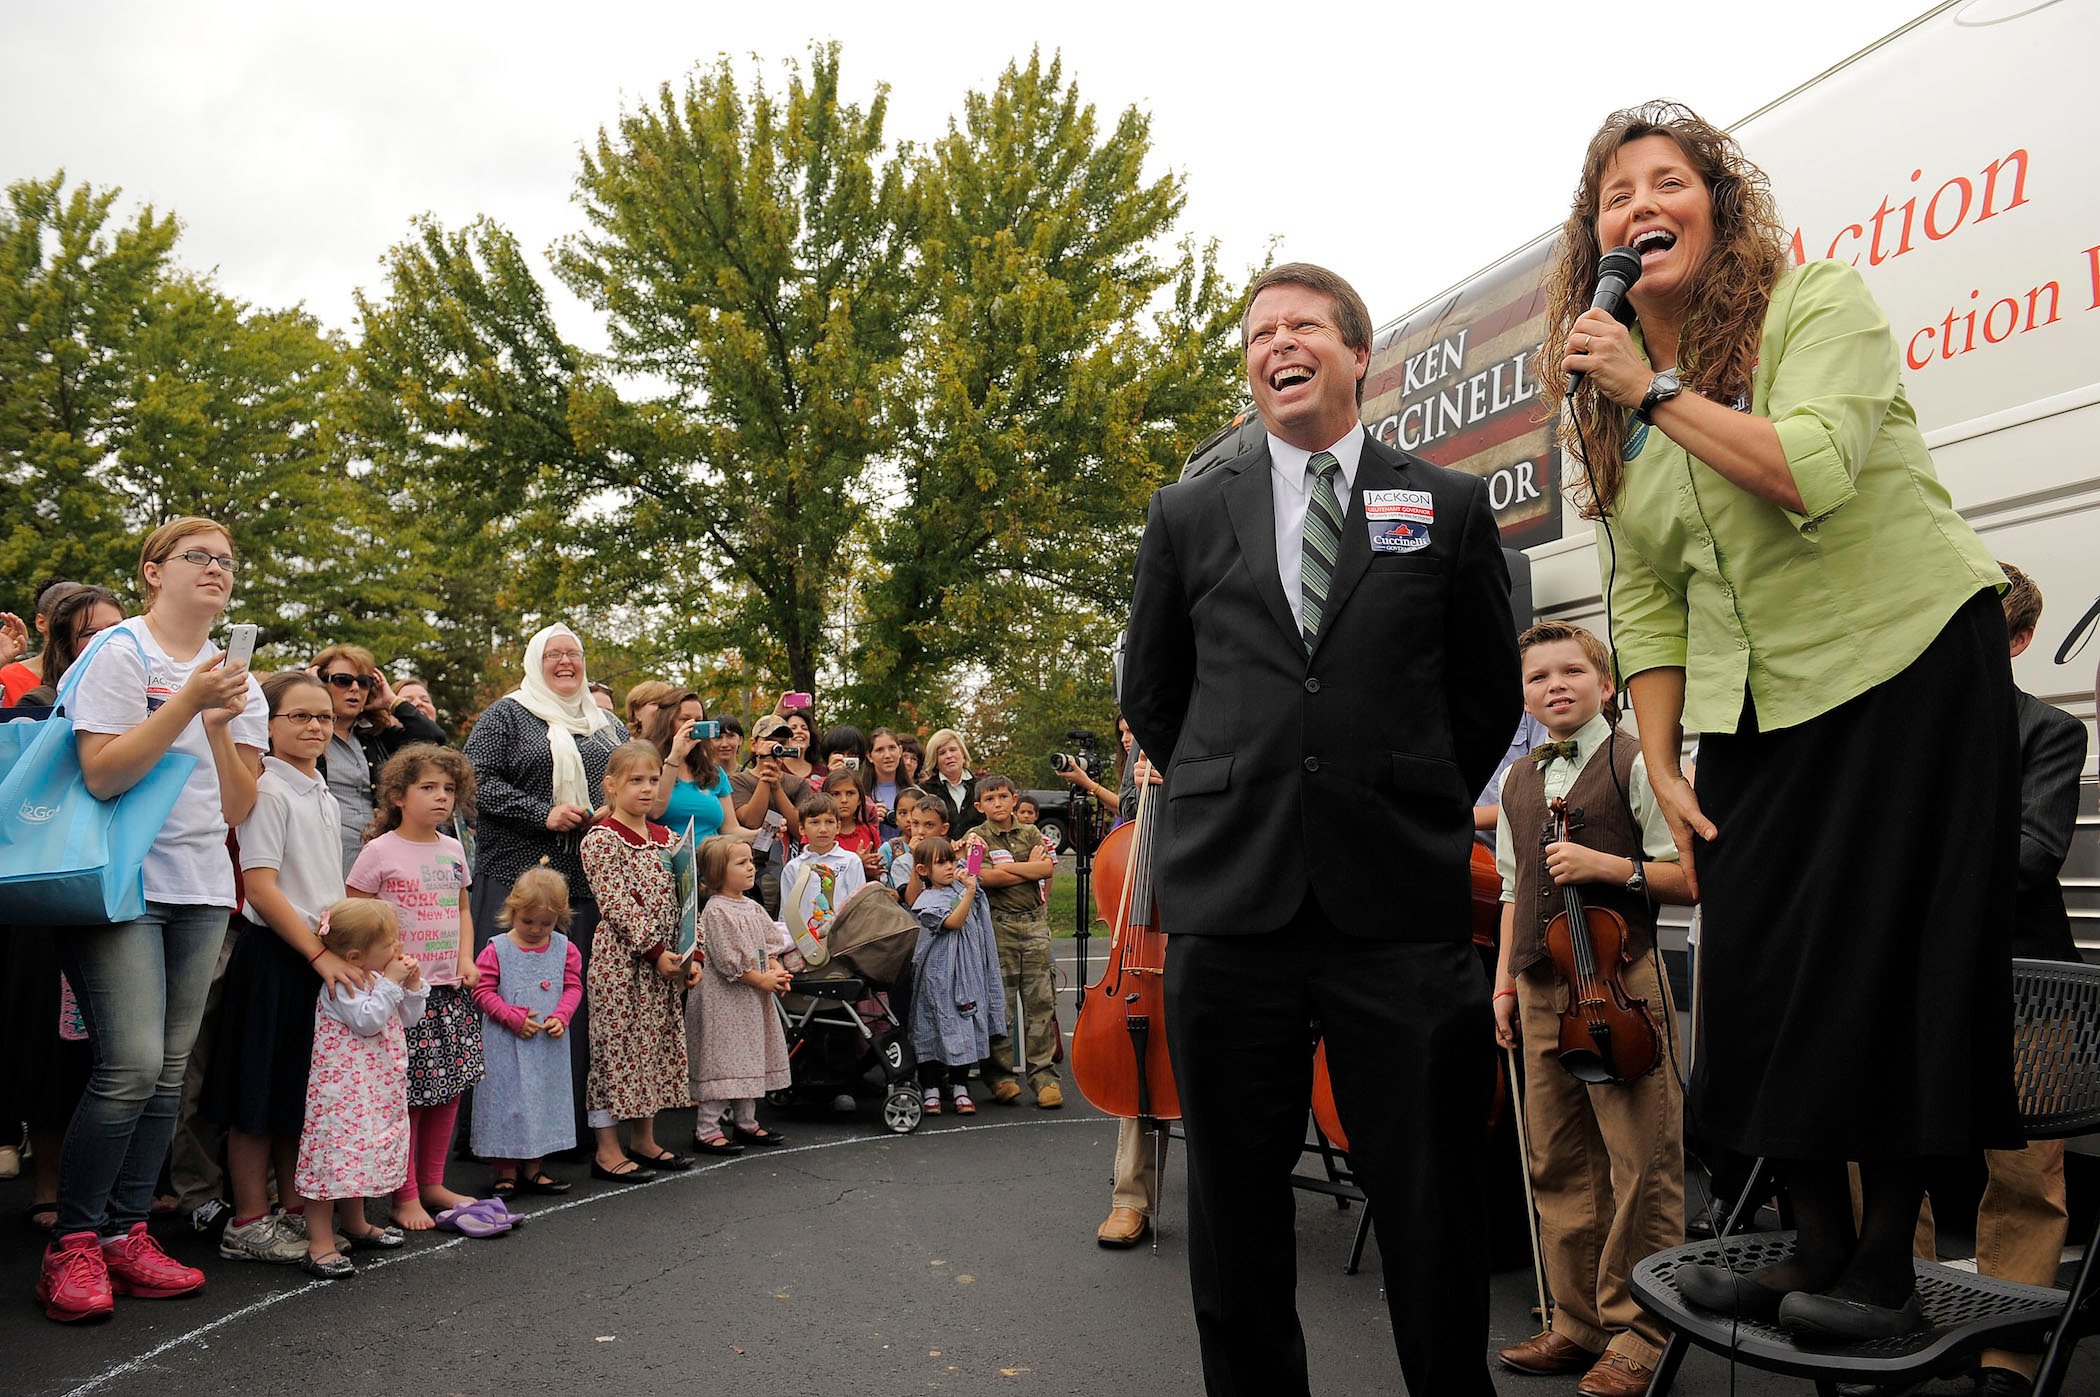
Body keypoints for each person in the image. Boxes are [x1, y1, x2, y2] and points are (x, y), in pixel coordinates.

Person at [1545, 103, 2016, 1340]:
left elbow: (1810, 466)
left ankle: (1883, 1269)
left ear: (1720, 202)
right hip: (1761, 701)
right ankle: (1806, 1236)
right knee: (1753, 954)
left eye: (1669, 182)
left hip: (1905, 660)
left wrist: (1652, 387)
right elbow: (1647, 589)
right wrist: (1656, 748)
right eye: (1616, 196)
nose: (1643, 207)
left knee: (1884, 949)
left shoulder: (1815, 303)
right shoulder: (1609, 402)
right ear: (1592, 237)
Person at [1123, 261, 1519, 1395]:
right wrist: (1235, 781)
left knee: (1430, 1202)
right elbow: (1158, 693)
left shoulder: (1445, 503)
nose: (1274, 344)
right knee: (1238, 1215)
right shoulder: (1189, 511)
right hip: (1229, 905)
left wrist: (1408, 791)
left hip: (1396, 907)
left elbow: (1486, 695)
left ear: (1357, 355)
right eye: (1258, 333)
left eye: (1301, 326)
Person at [42, 516, 272, 1324]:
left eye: (226, 562)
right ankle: (71, 1243)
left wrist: (216, 722)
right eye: (197, 557)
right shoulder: (119, 652)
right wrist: (188, 702)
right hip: (118, 882)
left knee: (170, 1074)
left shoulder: (235, 676)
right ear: (152, 571)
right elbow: (101, 775)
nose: (216, 569)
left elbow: (240, 805)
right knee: (132, 1066)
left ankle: (126, 1232)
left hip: (204, 884)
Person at [1488, 623, 1691, 1396]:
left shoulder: (1638, 760)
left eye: (1572, 670)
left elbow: (1689, 876)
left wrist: (1607, 864)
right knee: (1557, 1160)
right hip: (1542, 987)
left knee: (1642, 1164)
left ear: (1606, 685)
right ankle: (1576, 1322)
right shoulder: (1518, 780)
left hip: (1621, 982)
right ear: (1527, 696)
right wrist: (1505, 984)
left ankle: (1642, 1332)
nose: (1556, 685)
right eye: (1539, 677)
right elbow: (1513, 891)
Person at [1904, 564, 2087, 1396]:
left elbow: (2032, 853)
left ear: (2016, 642)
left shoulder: (2049, 729)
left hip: (2024, 977)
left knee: (2026, 1172)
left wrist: (1903, 870)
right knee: (1884, 1153)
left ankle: (2007, 1355)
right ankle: (1890, 1322)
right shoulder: (1894, 728)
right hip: (1908, 974)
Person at [203, 670, 354, 1267]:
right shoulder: (267, 790)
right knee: (255, 1094)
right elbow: (260, 888)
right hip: (276, 957)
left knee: (297, 1091)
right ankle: (248, 1220)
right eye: (299, 716)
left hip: (314, 958)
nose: (316, 725)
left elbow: (325, 884)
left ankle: (293, 1210)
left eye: (323, 715)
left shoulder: (322, 792)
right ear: (267, 725)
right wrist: (317, 951)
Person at [460, 624, 629, 1131]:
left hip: (586, 883)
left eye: (573, 654)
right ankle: (501, 1132)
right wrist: (543, 813)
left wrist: (606, 811)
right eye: (553, 654)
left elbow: (623, 783)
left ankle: (566, 1125)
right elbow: (474, 783)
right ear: (535, 661)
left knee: (571, 1002)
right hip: (518, 881)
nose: (564, 662)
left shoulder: (607, 726)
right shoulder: (508, 715)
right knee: (512, 1003)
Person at [0, 586, 124, 1238]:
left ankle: (115, 1193)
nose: (103, 642)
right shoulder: (38, 707)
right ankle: (48, 1186)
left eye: (115, 630)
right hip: (48, 896)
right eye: (86, 633)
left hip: (120, 897)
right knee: (51, 1051)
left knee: (115, 1052)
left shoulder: (144, 711)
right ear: (62, 645)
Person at [348, 745, 485, 1230]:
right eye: (428, 787)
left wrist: (466, 959)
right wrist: (383, 972)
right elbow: (357, 919)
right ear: (398, 795)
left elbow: (463, 910)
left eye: (449, 789)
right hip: (401, 999)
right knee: (405, 1095)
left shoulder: (451, 849)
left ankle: (432, 1182)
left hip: (448, 992)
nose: (441, 797)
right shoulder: (379, 851)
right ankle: (403, 1194)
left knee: (446, 1089)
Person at [293, 898, 433, 1278]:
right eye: (389, 944)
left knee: (359, 1157)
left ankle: (354, 1223)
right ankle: (319, 1242)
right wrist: (390, 981)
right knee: (333, 1161)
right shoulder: (343, 984)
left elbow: (410, 1018)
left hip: (373, 1089)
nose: (397, 948)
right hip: (341, 1095)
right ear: (356, 954)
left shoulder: (372, 978)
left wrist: (413, 984)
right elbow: (368, 1021)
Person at [580, 741, 698, 1180]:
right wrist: (654, 951)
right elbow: (616, 904)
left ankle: (644, 1140)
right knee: (616, 1051)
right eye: (636, 781)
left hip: (668, 964)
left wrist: (692, 952)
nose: (647, 789)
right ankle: (607, 1150)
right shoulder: (602, 839)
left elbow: (689, 900)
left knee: (651, 1048)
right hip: (623, 965)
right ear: (611, 786)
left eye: (652, 780)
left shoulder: (670, 840)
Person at [470, 866, 582, 1200]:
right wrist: (510, 1016)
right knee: (508, 1103)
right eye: (528, 921)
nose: (536, 930)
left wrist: (561, 1015)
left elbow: (573, 987)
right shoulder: (497, 949)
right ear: (513, 910)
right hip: (506, 1043)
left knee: (542, 1101)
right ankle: (505, 1170)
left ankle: (534, 1167)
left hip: (547, 1044)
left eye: (545, 924)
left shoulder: (565, 948)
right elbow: (482, 991)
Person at [687, 837, 793, 1155]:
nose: (750, 868)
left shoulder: (751, 906)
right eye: (741, 863)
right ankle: (706, 1128)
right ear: (718, 872)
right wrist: (762, 979)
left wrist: (776, 971)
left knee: (748, 1056)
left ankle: (746, 1121)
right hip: (725, 1001)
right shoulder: (716, 912)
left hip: (750, 998)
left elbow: (771, 944)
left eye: (751, 861)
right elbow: (727, 962)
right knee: (723, 1060)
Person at [312, 644, 450, 876]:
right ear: (321, 682)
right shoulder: (306, 733)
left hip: (376, 857)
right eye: (343, 680)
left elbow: (433, 738)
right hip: (324, 856)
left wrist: (391, 701)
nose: (355, 688)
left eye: (364, 682)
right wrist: (309, 691)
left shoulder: (376, 734)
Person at [967, 775, 1060, 1108]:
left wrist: (1025, 869)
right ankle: (1000, 1075)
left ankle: (1043, 1075)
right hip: (999, 927)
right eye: (990, 799)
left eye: (1003, 797)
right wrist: (1027, 867)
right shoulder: (975, 837)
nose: (997, 803)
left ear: (1014, 799)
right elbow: (982, 876)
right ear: (980, 805)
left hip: (1034, 924)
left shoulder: (1032, 831)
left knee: (1040, 1002)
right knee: (1001, 1005)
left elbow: (1048, 869)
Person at [907, 836, 1007, 1116]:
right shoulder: (925, 901)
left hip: (967, 972)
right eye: (941, 863)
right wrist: (969, 893)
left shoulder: (960, 884)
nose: (950, 867)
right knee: (930, 1026)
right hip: (936, 978)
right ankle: (930, 1088)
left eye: (951, 860)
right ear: (923, 871)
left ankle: (960, 1086)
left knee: (964, 1024)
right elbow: (954, 921)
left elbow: (971, 868)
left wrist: (975, 849)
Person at [731, 715, 811, 915]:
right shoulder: (738, 781)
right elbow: (750, 821)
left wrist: (777, 788)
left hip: (791, 868)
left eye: (782, 743)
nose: (777, 746)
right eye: (770, 741)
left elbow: (802, 830)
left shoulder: (799, 784)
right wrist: (766, 778)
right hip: (750, 869)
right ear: (754, 744)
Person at [781, 786, 866, 963]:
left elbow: (858, 907)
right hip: (805, 945)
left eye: (829, 822)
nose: (823, 829)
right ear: (802, 829)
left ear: (838, 826)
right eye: (815, 822)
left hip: (842, 943)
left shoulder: (851, 861)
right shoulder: (793, 867)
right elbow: (786, 914)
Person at [644, 704, 744, 841]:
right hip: (666, 856)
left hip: (710, 857)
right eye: (685, 719)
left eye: (698, 721)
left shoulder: (713, 771)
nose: (692, 726)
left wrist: (762, 834)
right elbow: (654, 812)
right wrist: (675, 757)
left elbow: (730, 829)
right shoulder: (649, 765)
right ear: (667, 722)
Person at [0, 577, 82, 703]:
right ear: (41, 622)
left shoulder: (104, 674)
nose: (79, 627)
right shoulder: (10, 677)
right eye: (66, 618)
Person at [825, 766, 885, 880]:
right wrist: (855, 863)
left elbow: (875, 870)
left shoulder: (869, 831)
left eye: (850, 793)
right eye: (835, 794)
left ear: (859, 799)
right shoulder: (819, 831)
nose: (844, 800)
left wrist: (872, 871)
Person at [925, 729, 980, 836]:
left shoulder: (981, 787)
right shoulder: (925, 791)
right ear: (935, 761)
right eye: (942, 753)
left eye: (953, 750)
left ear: (963, 755)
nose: (949, 756)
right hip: (940, 850)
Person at [863, 728, 908, 839]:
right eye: (880, 750)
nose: (887, 755)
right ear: (869, 757)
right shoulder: (860, 795)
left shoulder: (915, 792)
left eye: (892, 748)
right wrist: (869, 819)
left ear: (900, 751)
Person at [622, 680, 692, 736]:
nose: (661, 708)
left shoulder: (682, 744)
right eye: (655, 703)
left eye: (666, 704)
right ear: (637, 712)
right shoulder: (623, 746)